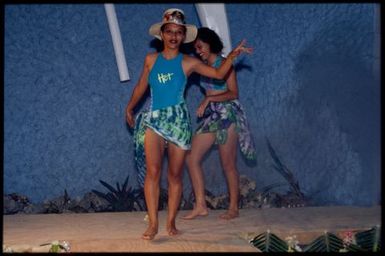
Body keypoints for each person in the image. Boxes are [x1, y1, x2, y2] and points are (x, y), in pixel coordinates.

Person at [125, 8, 252, 240]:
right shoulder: (151, 60)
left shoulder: (189, 62)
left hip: (178, 122)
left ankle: (170, 222)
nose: (174, 36)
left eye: (179, 32)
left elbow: (217, 74)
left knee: (174, 175)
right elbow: (141, 86)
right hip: (155, 119)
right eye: (169, 31)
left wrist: (232, 56)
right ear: (161, 34)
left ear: (184, 36)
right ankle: (153, 223)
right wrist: (130, 107)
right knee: (152, 173)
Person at [182, 27, 257, 221]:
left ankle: (234, 208)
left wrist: (209, 100)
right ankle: (200, 205)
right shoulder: (202, 65)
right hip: (211, 118)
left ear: (210, 43)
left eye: (200, 46)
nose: (198, 50)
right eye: (195, 48)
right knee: (191, 158)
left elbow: (233, 93)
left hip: (227, 115)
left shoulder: (224, 64)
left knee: (228, 163)